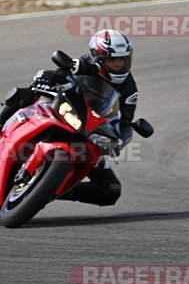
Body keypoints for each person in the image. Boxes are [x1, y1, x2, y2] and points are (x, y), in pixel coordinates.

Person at [0, 29, 138, 206]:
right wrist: (43, 79)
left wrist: (120, 140)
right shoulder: (84, 65)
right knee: (20, 95)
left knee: (110, 190)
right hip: (65, 114)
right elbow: (57, 72)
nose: (118, 64)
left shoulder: (129, 89)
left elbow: (126, 121)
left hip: (89, 132)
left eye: (123, 59)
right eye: (113, 59)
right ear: (98, 58)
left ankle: (49, 189)